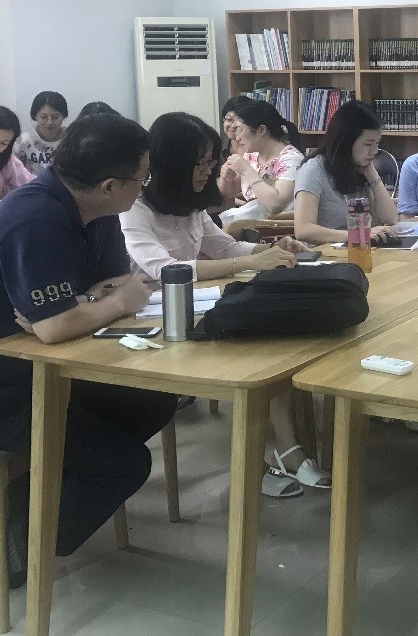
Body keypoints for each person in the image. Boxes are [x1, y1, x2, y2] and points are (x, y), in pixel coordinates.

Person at [0, 114, 179, 586]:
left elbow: (108, 287)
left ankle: (40, 489)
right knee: (125, 465)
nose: (144, 187)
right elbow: (58, 325)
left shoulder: (95, 212)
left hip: (42, 375)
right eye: (142, 178)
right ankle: (21, 543)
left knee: (151, 401)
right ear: (110, 186)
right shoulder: (36, 218)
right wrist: (106, 304)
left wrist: (90, 303)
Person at [120, 112, 329, 498]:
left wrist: (271, 249)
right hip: (151, 323)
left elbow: (225, 247)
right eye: (199, 163)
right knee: (253, 349)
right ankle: (264, 459)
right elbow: (167, 270)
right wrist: (250, 263)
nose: (208, 171)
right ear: (173, 164)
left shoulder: (190, 205)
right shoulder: (135, 208)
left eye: (210, 161)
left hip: (195, 309)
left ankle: (285, 450)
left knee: (271, 338)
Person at [293, 100, 399, 246]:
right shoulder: (313, 170)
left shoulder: (360, 168)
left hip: (356, 249)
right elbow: (303, 230)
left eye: (377, 143)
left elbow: (390, 219)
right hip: (325, 254)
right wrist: (358, 235)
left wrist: (372, 175)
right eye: (368, 144)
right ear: (346, 141)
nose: (374, 151)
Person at [225, 100, 304, 216]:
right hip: (255, 221)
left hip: (279, 225)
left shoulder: (291, 159)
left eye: (240, 130)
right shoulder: (251, 155)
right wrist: (225, 176)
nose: (237, 137)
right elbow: (230, 191)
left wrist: (247, 171)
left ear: (261, 130)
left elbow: (275, 205)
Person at [14, 90, 68, 175]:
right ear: (35, 116)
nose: (49, 122)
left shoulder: (70, 139)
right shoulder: (24, 141)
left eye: (55, 117)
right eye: (43, 117)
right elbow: (14, 173)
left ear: (63, 116)